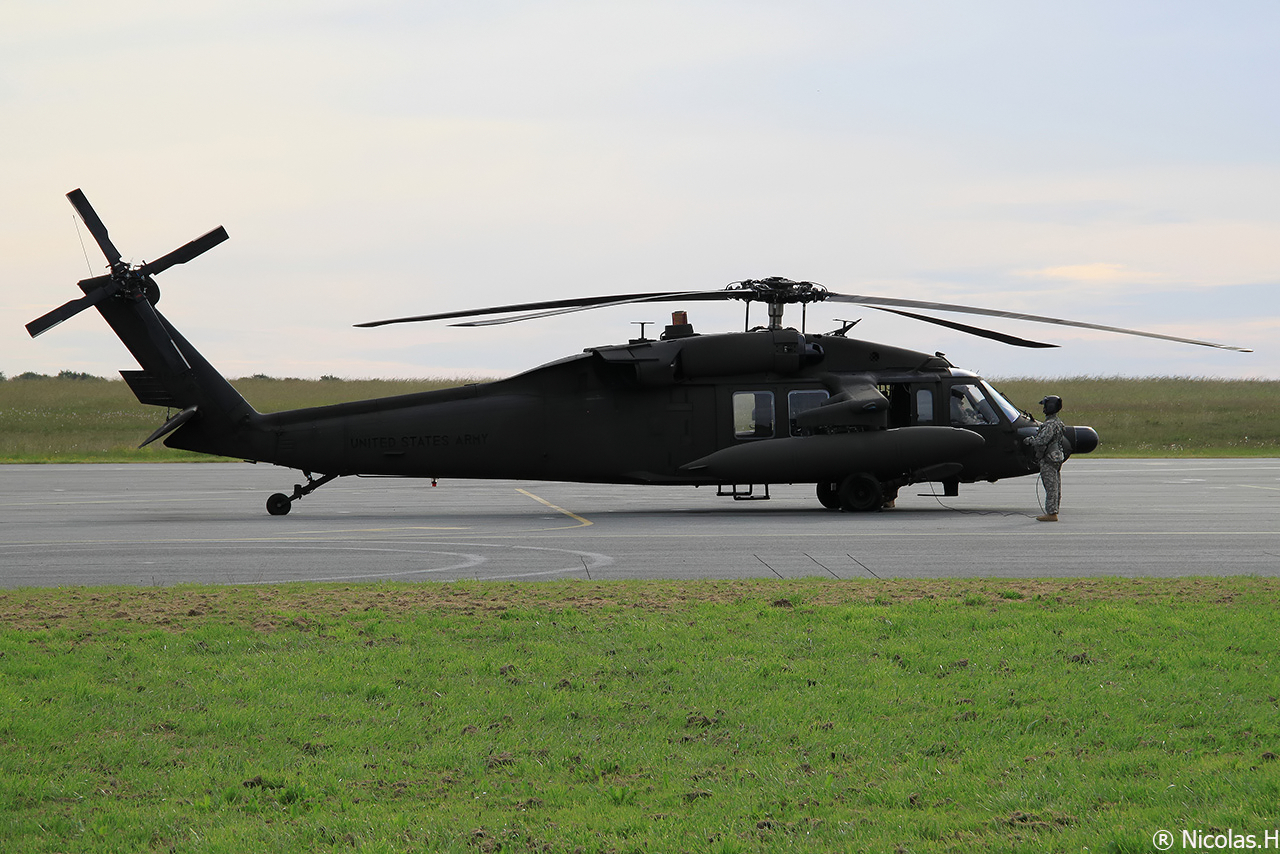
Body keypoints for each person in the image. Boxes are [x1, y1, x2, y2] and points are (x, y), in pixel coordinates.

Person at [1024, 395, 1066, 521]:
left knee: (1050, 486)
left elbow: (1041, 441)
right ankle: (1054, 510)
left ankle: (1051, 513)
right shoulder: (1059, 423)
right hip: (1057, 457)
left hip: (1048, 458)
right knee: (1056, 485)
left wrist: (1029, 441)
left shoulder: (1049, 425)